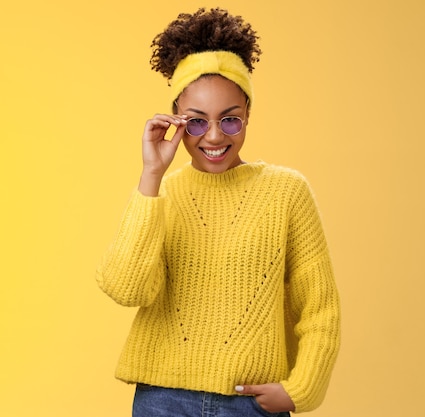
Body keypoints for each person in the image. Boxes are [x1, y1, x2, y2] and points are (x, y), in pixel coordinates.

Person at [96, 8, 341, 417]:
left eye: (230, 120)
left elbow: (319, 307)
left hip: (250, 406)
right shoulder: (161, 194)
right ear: (176, 121)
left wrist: (300, 389)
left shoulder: (287, 192)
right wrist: (151, 174)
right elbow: (126, 288)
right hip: (163, 400)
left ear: (248, 115)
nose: (213, 136)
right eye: (195, 122)